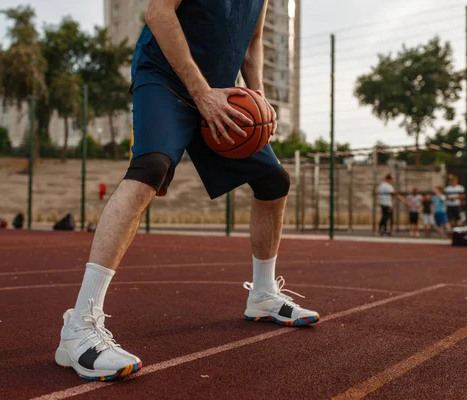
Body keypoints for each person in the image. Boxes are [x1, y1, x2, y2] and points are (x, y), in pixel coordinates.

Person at [54, 0, 319, 382]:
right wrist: (202, 93)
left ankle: (262, 295)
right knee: (151, 167)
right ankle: (79, 327)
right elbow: (158, 13)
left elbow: (252, 41)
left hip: (221, 92)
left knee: (274, 181)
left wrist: (257, 94)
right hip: (166, 79)